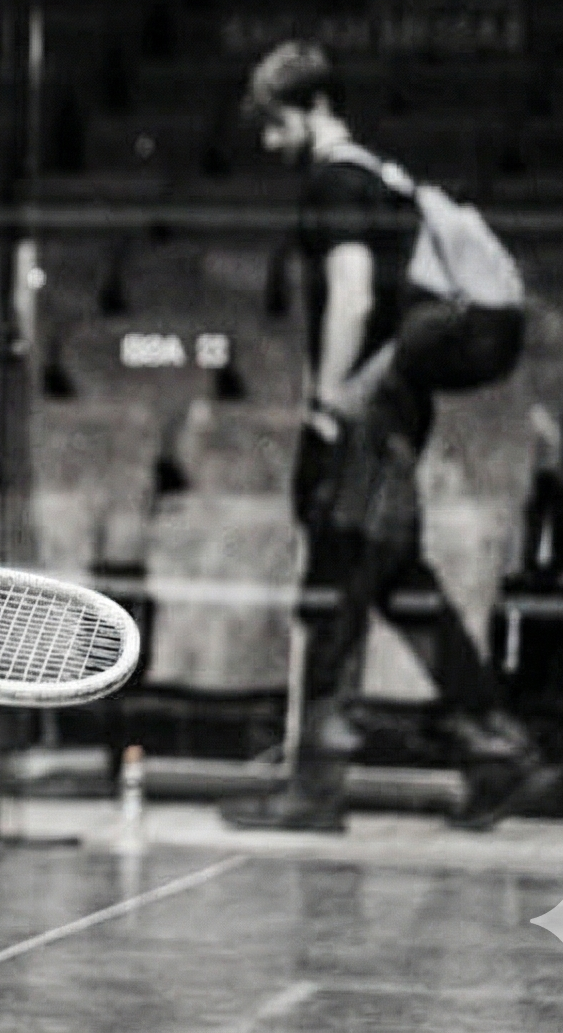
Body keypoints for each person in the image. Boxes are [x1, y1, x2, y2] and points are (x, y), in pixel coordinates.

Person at [221, 41, 543, 834]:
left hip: (367, 417)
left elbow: (353, 295)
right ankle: (497, 749)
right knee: (399, 582)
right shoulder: (381, 176)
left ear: (306, 110)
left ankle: (315, 791)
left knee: (335, 582)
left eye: (272, 124)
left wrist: (328, 403)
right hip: (395, 409)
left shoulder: (336, 181)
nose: (267, 143)